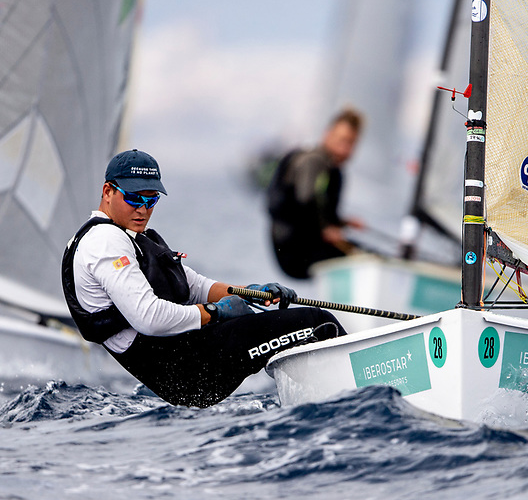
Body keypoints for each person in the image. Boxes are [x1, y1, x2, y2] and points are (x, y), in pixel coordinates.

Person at [61, 149, 345, 408]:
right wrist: (214, 312)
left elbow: (195, 285)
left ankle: (318, 403)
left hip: (191, 357)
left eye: (152, 199)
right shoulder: (105, 242)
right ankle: (351, 401)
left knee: (298, 327)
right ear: (108, 191)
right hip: (189, 371)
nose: (143, 209)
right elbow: (148, 317)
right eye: (134, 198)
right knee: (319, 323)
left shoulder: (129, 236)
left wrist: (253, 293)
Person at [267, 108, 366, 279]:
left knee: (363, 252)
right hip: (293, 250)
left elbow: (318, 209)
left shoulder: (334, 172)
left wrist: (343, 222)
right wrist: (326, 229)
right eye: (342, 140)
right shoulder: (314, 161)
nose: (345, 149)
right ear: (328, 135)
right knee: (362, 259)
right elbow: (306, 199)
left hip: (305, 244)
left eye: (351, 143)